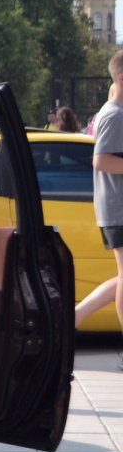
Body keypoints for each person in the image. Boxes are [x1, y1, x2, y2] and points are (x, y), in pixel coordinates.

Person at [90, 50, 123, 333]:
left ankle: (72, 319)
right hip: (118, 209)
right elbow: (101, 160)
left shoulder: (114, 112)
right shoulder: (114, 115)